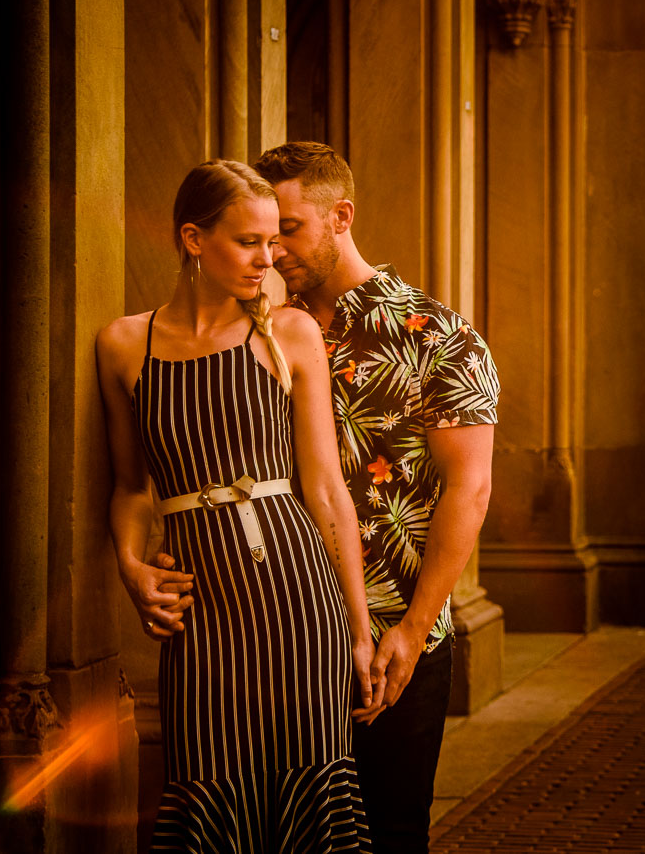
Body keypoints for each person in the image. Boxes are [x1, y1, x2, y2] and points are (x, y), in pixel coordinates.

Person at [97, 159, 380, 851]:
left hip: (298, 598)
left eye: (275, 238)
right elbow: (134, 489)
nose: (270, 256)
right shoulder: (125, 345)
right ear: (194, 239)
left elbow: (326, 491)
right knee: (206, 789)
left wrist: (359, 625)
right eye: (249, 240)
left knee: (314, 796)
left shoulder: (288, 335)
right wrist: (132, 569)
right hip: (203, 615)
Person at [254, 141, 498, 854]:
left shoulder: (439, 335)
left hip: (397, 631)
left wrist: (414, 632)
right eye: (262, 235)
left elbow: (470, 489)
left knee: (388, 835)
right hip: (278, 628)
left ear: (341, 217)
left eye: (288, 230)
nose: (273, 252)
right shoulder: (259, 333)